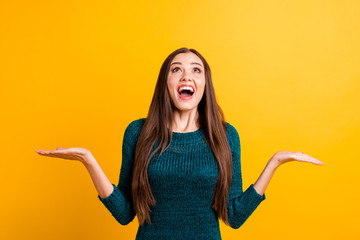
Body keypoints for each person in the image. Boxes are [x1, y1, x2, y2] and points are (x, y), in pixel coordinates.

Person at [35, 47, 324, 240]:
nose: (187, 75)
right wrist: (89, 160)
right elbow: (125, 214)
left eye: (196, 70)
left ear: (204, 84)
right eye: (177, 69)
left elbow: (233, 216)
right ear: (166, 82)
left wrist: (274, 163)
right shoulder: (139, 132)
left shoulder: (225, 135)